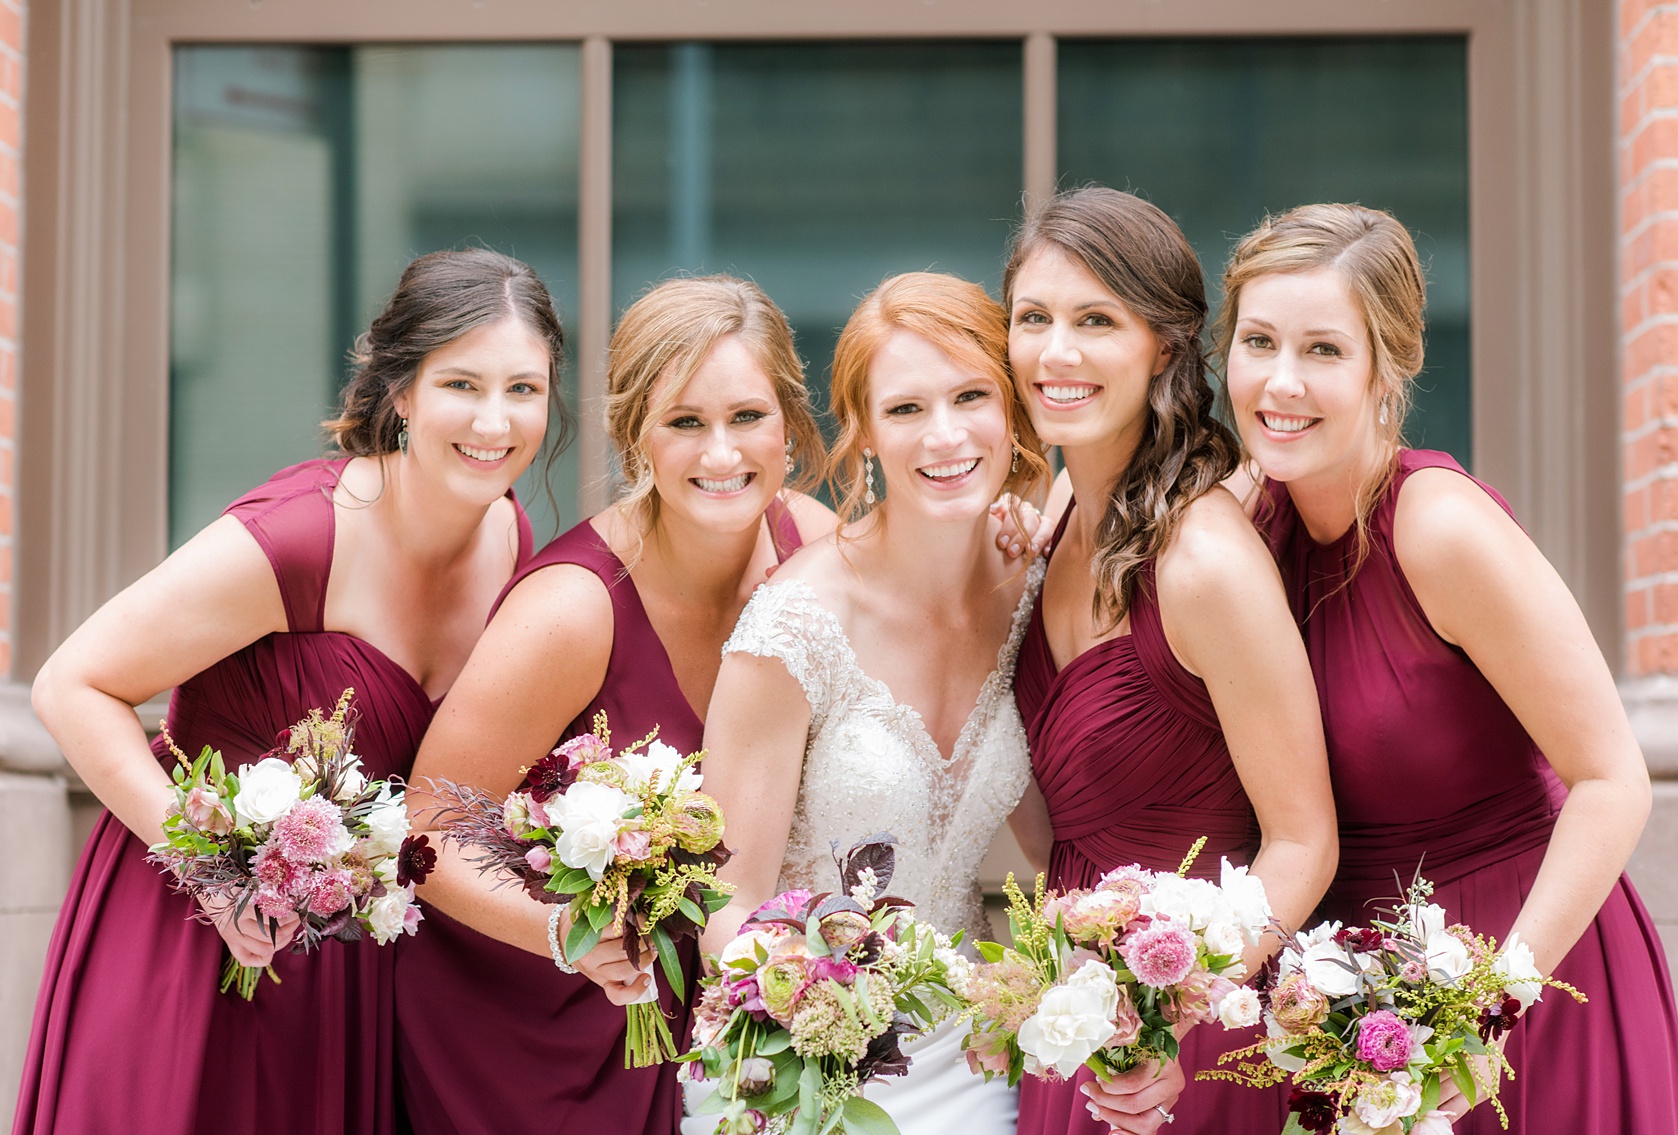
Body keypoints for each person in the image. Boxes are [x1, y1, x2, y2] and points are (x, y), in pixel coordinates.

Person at [15, 248, 564, 1135]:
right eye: (462, 384)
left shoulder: (511, 536)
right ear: (403, 391)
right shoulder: (299, 537)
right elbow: (70, 683)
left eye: (524, 389)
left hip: (339, 958)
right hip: (190, 933)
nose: (495, 422)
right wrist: (214, 873)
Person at [1223, 202, 1678, 1133]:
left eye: (1323, 349)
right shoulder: (1245, 528)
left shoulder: (1436, 528)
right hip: (1349, 1005)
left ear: (1386, 369)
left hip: (1524, 970)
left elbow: (1612, 779)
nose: (1281, 381)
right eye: (1258, 341)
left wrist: (1491, 1008)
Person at [398, 275, 837, 1135]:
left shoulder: (812, 548)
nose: (721, 454)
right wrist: (569, 932)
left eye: (747, 417)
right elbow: (427, 826)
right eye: (685, 422)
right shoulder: (574, 607)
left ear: (790, 423)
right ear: (638, 434)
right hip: (535, 1031)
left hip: (720, 1028)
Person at [1003, 187, 1338, 1135]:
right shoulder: (1060, 520)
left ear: (1165, 343)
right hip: (1077, 1020)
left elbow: (1305, 841)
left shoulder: (1204, 559)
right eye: (1035, 318)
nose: (1055, 352)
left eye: (1095, 320)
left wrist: (1163, 1015)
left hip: (1191, 1044)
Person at [700, 271, 1052, 1134]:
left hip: (974, 1055)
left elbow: (1057, 853)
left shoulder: (1036, 586)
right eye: (904, 410)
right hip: (800, 1067)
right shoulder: (793, 625)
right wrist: (816, 1023)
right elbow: (722, 899)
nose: (944, 435)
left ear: (1012, 412)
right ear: (861, 432)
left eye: (971, 396)